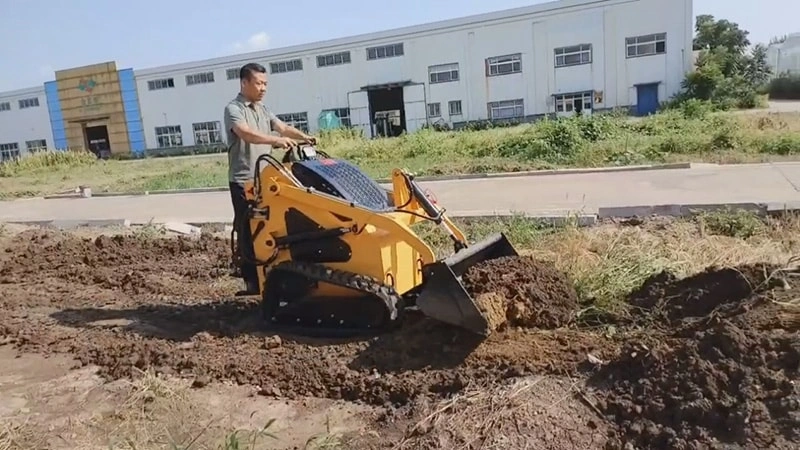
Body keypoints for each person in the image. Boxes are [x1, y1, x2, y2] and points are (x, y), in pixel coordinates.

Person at [224, 62, 317, 296]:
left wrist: (305, 137)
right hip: (244, 179)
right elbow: (246, 133)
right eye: (258, 83)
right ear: (244, 83)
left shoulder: (263, 109)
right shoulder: (234, 109)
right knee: (248, 228)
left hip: (266, 178)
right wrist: (274, 141)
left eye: (265, 83)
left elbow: (282, 127)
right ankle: (251, 282)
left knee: (269, 226)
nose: (263, 88)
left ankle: (270, 272)